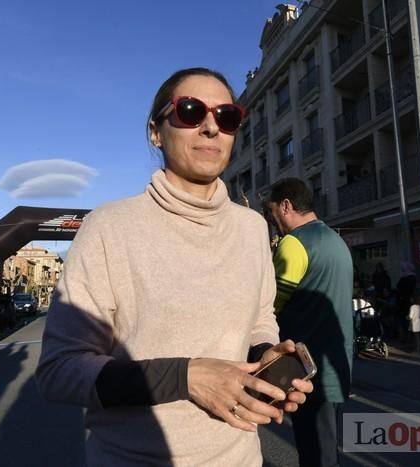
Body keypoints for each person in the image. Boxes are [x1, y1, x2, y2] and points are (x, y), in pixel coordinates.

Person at [35, 68, 312, 466]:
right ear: (155, 131)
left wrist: (267, 355)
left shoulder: (253, 228)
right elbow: (59, 370)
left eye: (227, 116)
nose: (211, 128)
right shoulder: (110, 227)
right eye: (190, 111)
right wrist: (186, 377)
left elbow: (260, 319)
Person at [266, 177, 354, 467]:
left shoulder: (294, 243)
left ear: (286, 206)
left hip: (306, 369)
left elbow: (270, 306)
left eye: (272, 212)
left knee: (315, 454)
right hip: (337, 368)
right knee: (327, 450)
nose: (273, 221)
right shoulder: (336, 240)